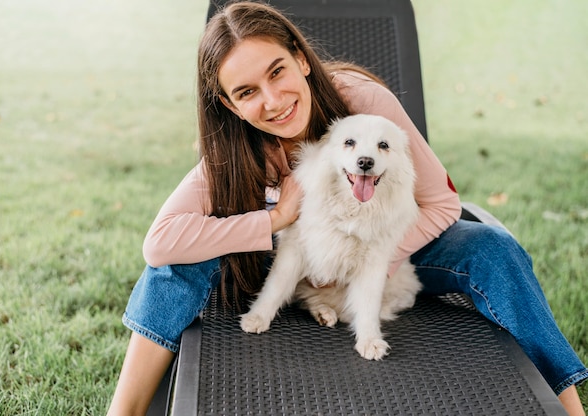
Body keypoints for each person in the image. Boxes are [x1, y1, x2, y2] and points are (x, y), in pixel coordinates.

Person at [107, 2, 587, 415]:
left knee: (492, 247)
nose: (273, 101)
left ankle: (566, 406)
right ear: (231, 106)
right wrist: (273, 219)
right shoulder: (230, 153)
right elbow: (159, 242)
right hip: (287, 262)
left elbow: (441, 203)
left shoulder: (362, 101)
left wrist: (365, 263)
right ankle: (123, 410)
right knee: (175, 266)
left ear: (302, 60)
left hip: (386, 249)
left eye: (277, 71)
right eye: (247, 92)